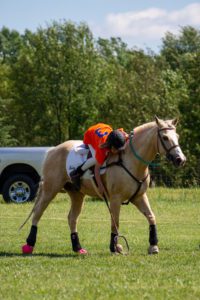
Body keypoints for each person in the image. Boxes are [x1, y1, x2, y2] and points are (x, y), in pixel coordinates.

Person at [70, 123, 128, 195]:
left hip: (103, 127)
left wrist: (128, 136)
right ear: (111, 147)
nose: (119, 151)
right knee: (95, 159)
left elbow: (125, 135)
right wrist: (100, 186)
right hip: (89, 135)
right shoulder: (102, 151)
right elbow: (96, 170)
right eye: (117, 150)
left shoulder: (120, 135)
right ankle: (77, 172)